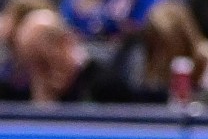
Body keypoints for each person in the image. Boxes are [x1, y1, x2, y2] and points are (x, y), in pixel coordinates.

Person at [5, 9, 141, 104]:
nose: (40, 73)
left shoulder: (106, 86)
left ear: (66, 42)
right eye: (31, 64)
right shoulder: (17, 91)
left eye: (44, 62)